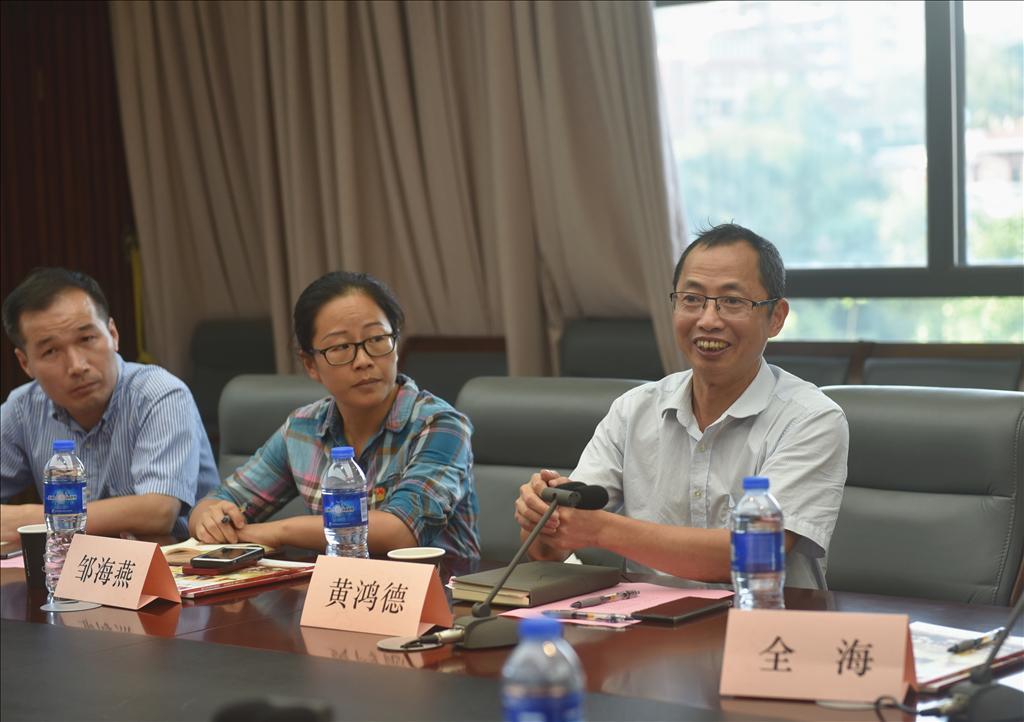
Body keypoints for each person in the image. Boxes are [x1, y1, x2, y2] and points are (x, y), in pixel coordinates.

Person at [514, 223, 849, 588]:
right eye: (692, 299)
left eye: (732, 301)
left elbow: (757, 551)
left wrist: (599, 529)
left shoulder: (811, 418)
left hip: (762, 620)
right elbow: (550, 550)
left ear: (777, 317)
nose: (708, 320)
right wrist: (544, 518)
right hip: (646, 621)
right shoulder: (632, 411)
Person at [188, 271, 480, 566]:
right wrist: (211, 519)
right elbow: (215, 503)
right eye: (341, 347)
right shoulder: (303, 428)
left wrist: (279, 532)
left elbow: (399, 531)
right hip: (340, 590)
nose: (363, 360)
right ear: (310, 365)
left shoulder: (440, 424)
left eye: (377, 339)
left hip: (437, 588)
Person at [1, 268, 219, 542]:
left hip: (172, 563)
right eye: (51, 351)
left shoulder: (159, 393)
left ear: (113, 334)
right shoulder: (23, 408)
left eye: (87, 339)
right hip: (70, 565)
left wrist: (30, 518)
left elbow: (158, 511)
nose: (77, 366)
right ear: (25, 363)